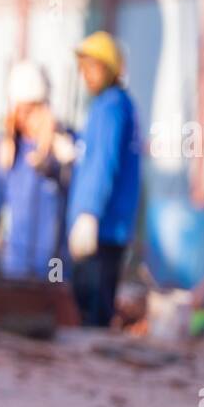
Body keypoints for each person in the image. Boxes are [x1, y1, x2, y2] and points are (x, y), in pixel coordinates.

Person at [0, 61, 75, 280]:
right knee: (18, 309)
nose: (26, 118)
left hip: (54, 263)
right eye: (21, 111)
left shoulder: (64, 144)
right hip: (17, 261)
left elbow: (79, 190)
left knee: (52, 307)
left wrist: (60, 165)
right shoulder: (6, 148)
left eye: (31, 110)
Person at [67, 31, 142, 327]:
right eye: (83, 67)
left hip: (103, 230)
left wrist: (89, 212)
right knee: (89, 306)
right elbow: (91, 152)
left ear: (108, 69)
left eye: (92, 67)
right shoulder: (110, 106)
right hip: (105, 227)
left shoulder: (111, 107)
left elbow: (103, 163)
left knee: (92, 309)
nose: (86, 75)